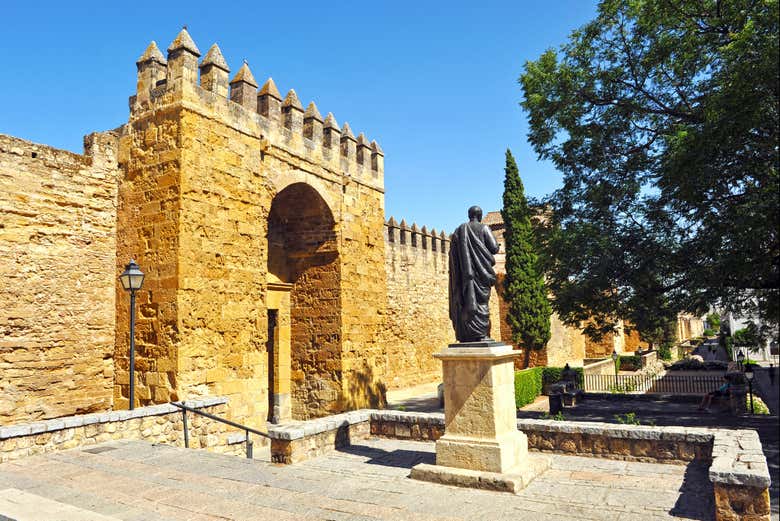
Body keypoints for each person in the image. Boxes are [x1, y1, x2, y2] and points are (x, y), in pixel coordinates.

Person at [448, 205, 500, 342]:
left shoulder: (460, 230)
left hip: (464, 276)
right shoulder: (484, 228)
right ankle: (480, 335)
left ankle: (467, 335)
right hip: (482, 274)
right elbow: (494, 248)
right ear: (480, 216)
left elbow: (454, 255)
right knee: (481, 304)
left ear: (469, 215)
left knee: (467, 302)